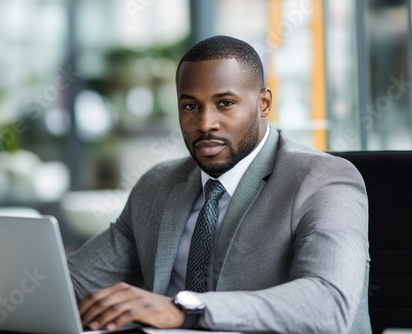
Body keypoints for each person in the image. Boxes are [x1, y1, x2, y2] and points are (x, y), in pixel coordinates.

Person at [67, 35, 370, 333]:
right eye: (190, 106)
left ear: (263, 103)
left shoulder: (323, 180)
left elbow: (330, 304)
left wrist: (185, 310)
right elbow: (75, 283)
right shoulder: (157, 185)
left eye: (225, 103)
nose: (205, 123)